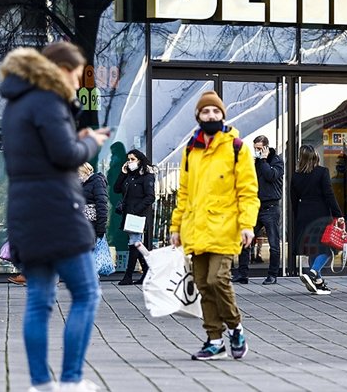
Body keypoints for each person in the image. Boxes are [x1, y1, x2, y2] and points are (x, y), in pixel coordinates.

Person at [0, 41, 109, 392]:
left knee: (39, 301)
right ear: (60, 69)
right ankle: (72, 380)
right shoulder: (48, 99)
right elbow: (65, 155)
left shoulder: (16, 104)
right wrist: (90, 142)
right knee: (87, 293)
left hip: (25, 214)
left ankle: (41, 385)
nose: (77, 84)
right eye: (76, 76)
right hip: (58, 212)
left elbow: (42, 153)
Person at [169, 90, 259, 361]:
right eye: (206, 112)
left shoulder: (237, 147)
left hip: (225, 227)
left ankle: (235, 328)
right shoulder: (190, 149)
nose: (211, 116)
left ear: (223, 115)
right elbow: (184, 192)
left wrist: (247, 225)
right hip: (196, 229)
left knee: (217, 279)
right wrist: (176, 227)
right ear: (198, 116)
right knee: (203, 286)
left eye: (216, 112)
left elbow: (248, 190)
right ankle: (214, 340)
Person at [291, 145, 343, 296]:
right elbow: (329, 195)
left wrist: (297, 216)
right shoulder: (322, 172)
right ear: (315, 156)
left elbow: (293, 199)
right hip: (320, 214)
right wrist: (338, 214)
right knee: (328, 249)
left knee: (313, 248)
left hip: (303, 213)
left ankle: (318, 283)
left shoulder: (296, 176)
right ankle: (313, 273)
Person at [232, 135, 284, 285]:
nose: (257, 151)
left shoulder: (276, 161)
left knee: (274, 243)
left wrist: (263, 159)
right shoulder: (255, 163)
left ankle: (272, 275)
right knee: (245, 240)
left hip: (271, 207)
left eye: (260, 149)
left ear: (267, 147)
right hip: (255, 207)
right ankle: (243, 274)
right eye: (255, 149)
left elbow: (271, 176)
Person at [114, 149, 155, 285]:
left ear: (140, 160)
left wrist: (136, 210)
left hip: (138, 215)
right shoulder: (129, 176)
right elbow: (116, 188)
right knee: (135, 244)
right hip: (128, 215)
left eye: (132, 159)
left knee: (134, 244)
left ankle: (128, 276)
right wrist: (123, 173)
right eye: (128, 159)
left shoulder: (147, 176)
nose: (129, 162)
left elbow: (150, 197)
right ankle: (148, 274)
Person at [79, 162, 110, 277]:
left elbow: (102, 204)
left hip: (92, 223)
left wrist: (101, 227)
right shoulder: (82, 183)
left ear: (85, 171)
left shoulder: (97, 181)